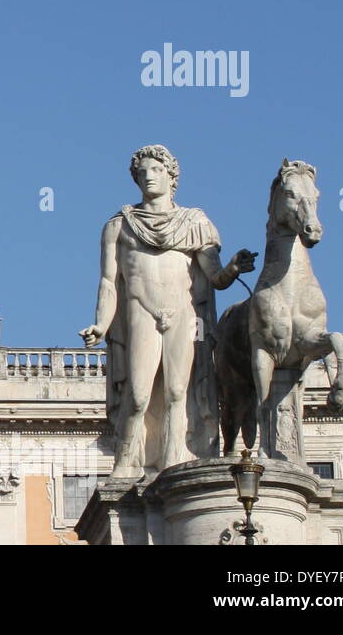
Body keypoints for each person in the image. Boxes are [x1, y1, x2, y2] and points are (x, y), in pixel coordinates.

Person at [79, 145, 256, 478]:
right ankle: (127, 461)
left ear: (171, 175)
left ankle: (175, 458)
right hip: (139, 311)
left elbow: (215, 278)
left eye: (156, 169)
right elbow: (108, 281)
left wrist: (233, 268)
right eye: (142, 171)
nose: (148, 176)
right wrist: (102, 324)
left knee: (179, 391)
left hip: (184, 314)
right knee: (138, 394)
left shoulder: (194, 222)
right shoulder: (119, 226)